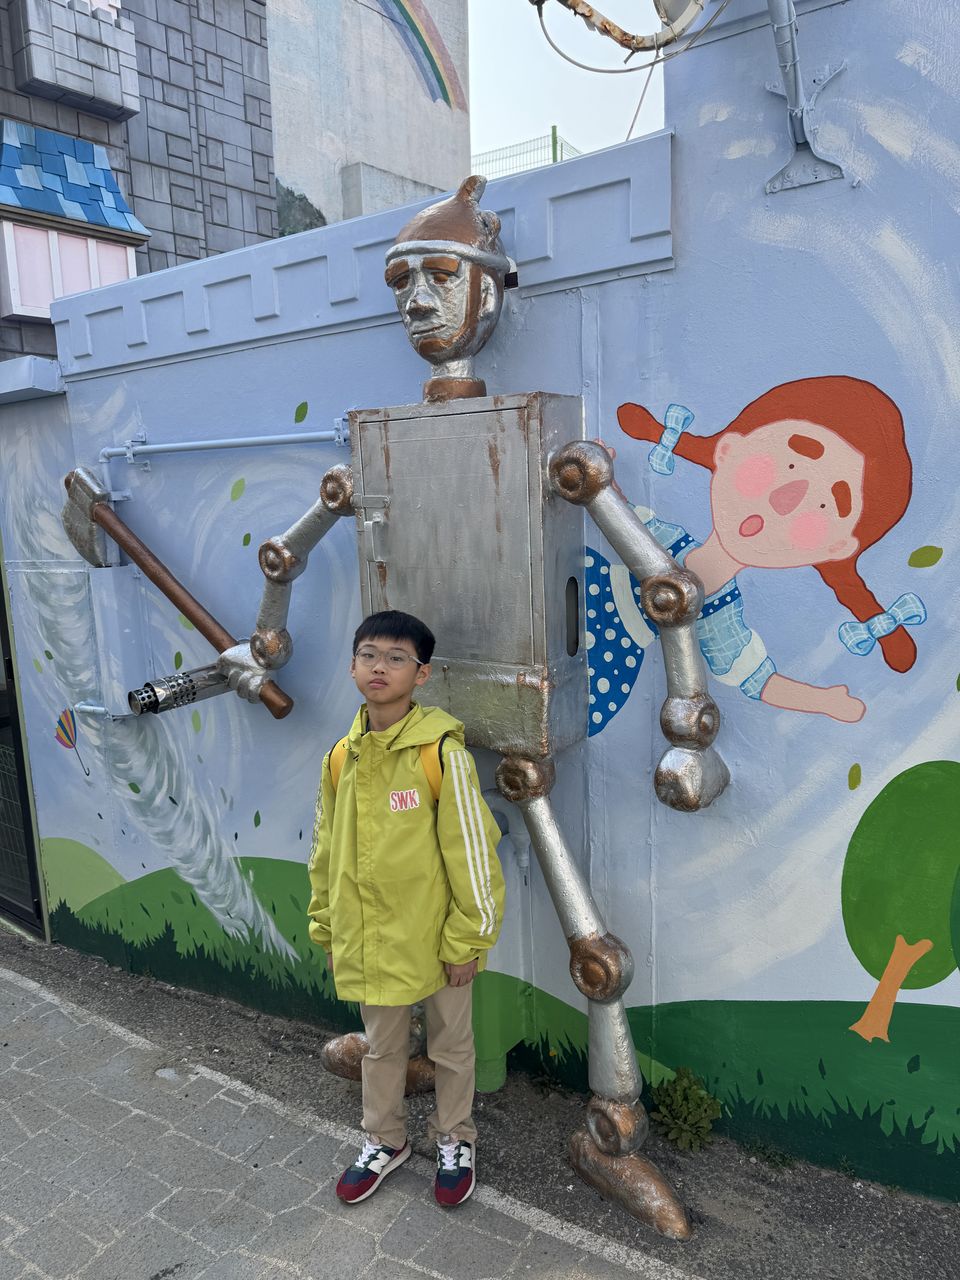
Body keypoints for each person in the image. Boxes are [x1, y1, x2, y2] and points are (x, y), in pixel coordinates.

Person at [584, 376, 925, 734]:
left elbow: (757, 679)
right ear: (729, 449)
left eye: (826, 505)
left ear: (836, 549)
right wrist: (599, 480)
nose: (785, 500)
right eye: (789, 463)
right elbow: (622, 521)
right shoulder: (666, 541)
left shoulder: (720, 615)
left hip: (609, 667)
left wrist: (824, 701)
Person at [307, 609, 505, 1207]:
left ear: (421, 675)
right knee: (381, 1047)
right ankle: (384, 1140)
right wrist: (327, 925)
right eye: (369, 655)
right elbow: (325, 848)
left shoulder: (441, 755)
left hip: (439, 939)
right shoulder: (341, 757)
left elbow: (473, 852)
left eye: (397, 658)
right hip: (369, 936)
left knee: (451, 1047)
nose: (380, 668)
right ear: (352, 666)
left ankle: (454, 1137)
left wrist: (467, 941)